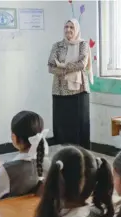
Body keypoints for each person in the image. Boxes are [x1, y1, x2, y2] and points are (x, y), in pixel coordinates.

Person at [48, 19, 93, 149]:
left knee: (80, 126)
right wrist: (68, 68)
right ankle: (64, 153)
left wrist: (62, 66)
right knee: (62, 125)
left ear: (77, 29)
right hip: (60, 90)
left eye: (72, 27)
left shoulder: (83, 44)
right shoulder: (57, 46)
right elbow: (50, 67)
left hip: (79, 91)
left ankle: (82, 156)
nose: (68, 30)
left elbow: (82, 64)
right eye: (66, 27)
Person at [0, 111, 51, 202]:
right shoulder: (49, 164)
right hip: (42, 214)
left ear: (14, 137)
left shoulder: (7, 170)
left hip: (15, 215)